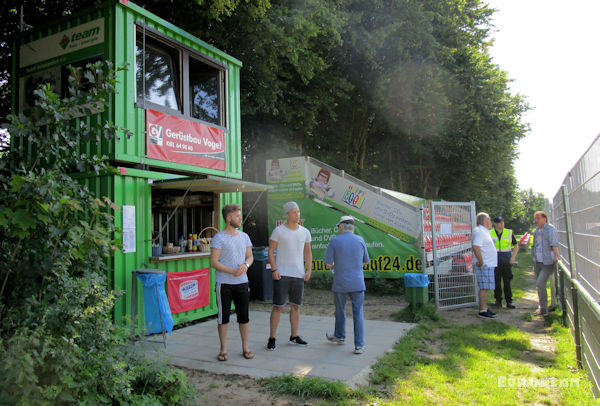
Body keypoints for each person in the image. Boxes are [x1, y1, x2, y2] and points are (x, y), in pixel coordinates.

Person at [210, 204, 254, 361]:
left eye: (239, 215)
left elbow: (250, 257)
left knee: (244, 317)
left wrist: (246, 265)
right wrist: (231, 271)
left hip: (242, 283)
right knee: (224, 318)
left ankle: (246, 347)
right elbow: (213, 262)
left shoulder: (244, 237)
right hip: (224, 284)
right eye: (237, 216)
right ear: (228, 218)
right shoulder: (219, 238)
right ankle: (223, 350)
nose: (240, 218)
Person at [267, 201, 313, 350]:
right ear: (287, 215)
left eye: (298, 212)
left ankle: (294, 336)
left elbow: (307, 252)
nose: (297, 215)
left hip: (298, 275)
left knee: (295, 306)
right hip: (282, 274)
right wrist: (274, 269)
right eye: (294, 212)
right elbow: (271, 251)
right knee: (278, 307)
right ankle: (272, 338)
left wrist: (308, 270)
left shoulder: (305, 232)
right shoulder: (279, 231)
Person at [323, 215, 370, 354]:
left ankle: (339, 336)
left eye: (338, 226)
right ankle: (359, 345)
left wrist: (336, 266)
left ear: (342, 227)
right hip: (357, 282)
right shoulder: (360, 240)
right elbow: (366, 262)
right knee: (358, 312)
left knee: (340, 310)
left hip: (340, 282)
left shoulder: (335, 241)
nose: (338, 229)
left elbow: (328, 264)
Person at [530, 211, 559, 317]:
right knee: (539, 285)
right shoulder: (537, 231)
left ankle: (544, 309)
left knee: (540, 283)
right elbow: (534, 245)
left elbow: (554, 243)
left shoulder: (550, 229)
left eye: (538, 218)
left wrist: (556, 255)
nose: (536, 220)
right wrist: (533, 255)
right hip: (538, 261)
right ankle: (542, 307)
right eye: (535, 218)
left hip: (548, 262)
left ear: (544, 219)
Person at [472, 212, 498, 319]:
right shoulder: (479, 232)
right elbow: (476, 246)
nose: (491, 222)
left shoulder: (484, 231)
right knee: (484, 287)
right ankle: (482, 310)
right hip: (485, 264)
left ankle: (485, 307)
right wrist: (481, 261)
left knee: (486, 287)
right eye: (489, 219)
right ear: (486, 220)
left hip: (488, 264)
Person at [491, 216, 519, 309]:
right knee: (496, 281)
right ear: (495, 224)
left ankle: (509, 301)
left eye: (502, 222)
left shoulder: (509, 232)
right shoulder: (490, 233)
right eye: (499, 222)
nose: (501, 224)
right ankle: (498, 300)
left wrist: (513, 258)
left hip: (506, 258)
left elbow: (516, 245)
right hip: (495, 258)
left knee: (507, 281)